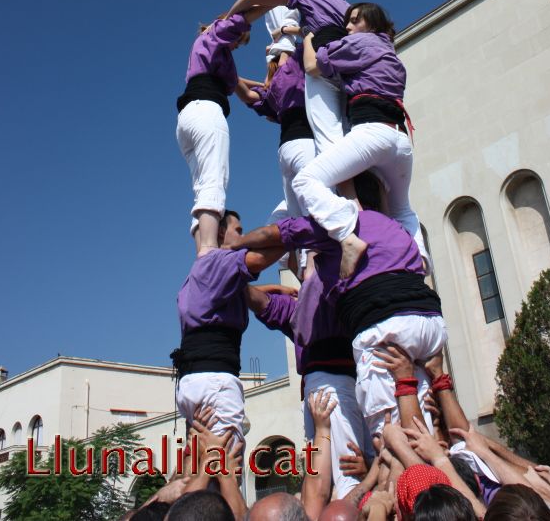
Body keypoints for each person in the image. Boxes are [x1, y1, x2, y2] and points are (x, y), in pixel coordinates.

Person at [231, 205, 446, 439]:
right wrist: (272, 285)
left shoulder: (348, 285)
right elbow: (251, 297)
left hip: (363, 379)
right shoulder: (299, 307)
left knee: (389, 444)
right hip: (333, 391)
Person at [296, 1, 425, 277]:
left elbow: (311, 64)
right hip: (400, 139)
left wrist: (308, 38)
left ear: (372, 23)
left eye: (355, 21)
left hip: (372, 133)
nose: (348, 27)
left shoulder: (360, 44)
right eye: (348, 22)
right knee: (402, 208)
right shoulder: (390, 52)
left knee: (305, 180)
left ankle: (347, 235)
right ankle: (421, 258)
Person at [248, 266, 369, 499]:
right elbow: (243, 294)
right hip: (330, 391)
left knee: (339, 479)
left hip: (336, 389)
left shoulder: (335, 291)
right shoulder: (299, 307)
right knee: (339, 480)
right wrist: (276, 288)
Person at [171, 211, 283, 449]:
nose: (243, 235)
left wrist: (273, 289)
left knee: (201, 470)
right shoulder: (218, 261)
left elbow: (240, 290)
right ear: (220, 231)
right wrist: (296, 236)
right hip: (216, 382)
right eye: (238, 230)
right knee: (226, 470)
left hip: (193, 381)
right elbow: (258, 260)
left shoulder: (200, 272)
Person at [226, 0, 350, 153]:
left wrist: (224, 24)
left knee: (328, 132)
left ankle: (338, 177)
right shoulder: (344, 4)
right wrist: (286, 31)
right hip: (348, 58)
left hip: (323, 56)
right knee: (346, 126)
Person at [176, 12, 256, 254]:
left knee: (201, 187)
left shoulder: (213, 53)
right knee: (214, 180)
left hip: (187, 119)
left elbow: (243, 89)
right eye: (238, 39)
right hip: (207, 112)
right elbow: (237, 21)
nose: (236, 44)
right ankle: (209, 250)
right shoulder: (214, 35)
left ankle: (201, 249)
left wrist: (267, 85)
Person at [236, 45, 316, 248]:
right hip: (305, 144)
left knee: (299, 220)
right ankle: (313, 264)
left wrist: (265, 84)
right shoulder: (296, 75)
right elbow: (291, 52)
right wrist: (283, 39)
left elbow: (244, 93)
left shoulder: (274, 93)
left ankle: (307, 267)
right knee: (313, 211)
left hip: (284, 152)